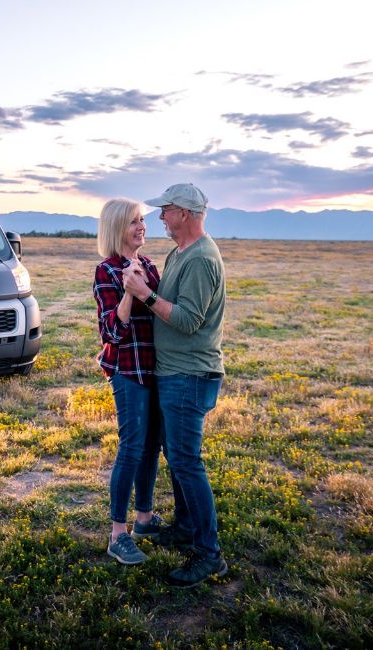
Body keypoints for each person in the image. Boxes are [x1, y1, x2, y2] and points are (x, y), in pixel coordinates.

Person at [122, 183, 228, 587]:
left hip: (189, 374)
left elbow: (186, 320)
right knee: (178, 456)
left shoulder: (201, 258)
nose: (160, 218)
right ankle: (186, 527)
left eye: (165, 210)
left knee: (187, 462)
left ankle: (209, 555)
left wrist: (144, 294)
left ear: (183, 213)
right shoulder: (179, 252)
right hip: (172, 373)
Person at [92, 198, 167, 565]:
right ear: (117, 228)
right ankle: (117, 534)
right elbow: (111, 331)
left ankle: (145, 519)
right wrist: (128, 291)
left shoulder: (151, 266)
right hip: (127, 369)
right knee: (132, 446)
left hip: (156, 368)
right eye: (134, 222)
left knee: (152, 446)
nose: (142, 226)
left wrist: (145, 286)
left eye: (143, 220)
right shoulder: (105, 270)